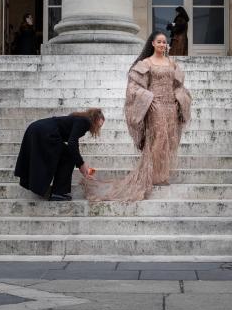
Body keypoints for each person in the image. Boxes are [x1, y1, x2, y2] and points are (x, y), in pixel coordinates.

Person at [80, 31, 191, 202]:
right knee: (158, 139)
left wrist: (180, 98)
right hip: (154, 107)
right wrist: (148, 98)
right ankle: (152, 175)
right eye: (159, 42)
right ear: (152, 43)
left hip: (170, 107)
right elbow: (133, 88)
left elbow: (179, 86)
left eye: (164, 42)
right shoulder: (146, 63)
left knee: (169, 140)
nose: (163, 45)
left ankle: (162, 174)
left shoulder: (172, 63)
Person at [14, 108, 105, 201]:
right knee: (69, 156)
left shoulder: (80, 119)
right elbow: (72, 143)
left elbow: (73, 143)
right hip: (44, 132)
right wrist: (81, 164)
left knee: (67, 154)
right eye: (101, 123)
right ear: (96, 119)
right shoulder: (85, 122)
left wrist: (80, 163)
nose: (100, 126)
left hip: (37, 129)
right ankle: (59, 192)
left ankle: (57, 192)